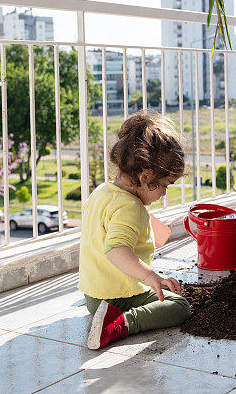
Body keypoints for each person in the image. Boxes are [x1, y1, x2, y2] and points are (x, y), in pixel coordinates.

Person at [79, 111, 191, 350]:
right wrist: (151, 276)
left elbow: (104, 230)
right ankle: (120, 324)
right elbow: (116, 250)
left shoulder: (103, 192)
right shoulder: (131, 208)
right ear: (145, 176)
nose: (164, 193)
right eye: (164, 185)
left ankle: (105, 314)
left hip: (92, 295)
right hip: (117, 296)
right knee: (180, 307)